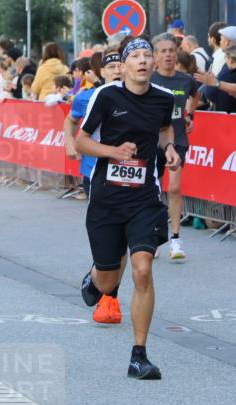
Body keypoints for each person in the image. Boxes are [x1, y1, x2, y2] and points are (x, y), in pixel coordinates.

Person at [75, 38, 180, 380]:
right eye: (135, 56)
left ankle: (139, 355)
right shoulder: (106, 96)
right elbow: (81, 140)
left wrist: (170, 150)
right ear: (123, 64)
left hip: (144, 199)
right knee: (107, 282)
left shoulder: (163, 99)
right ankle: (95, 280)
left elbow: (165, 129)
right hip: (107, 198)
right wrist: (112, 152)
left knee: (143, 268)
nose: (144, 61)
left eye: (147, 55)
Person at [64, 51, 123, 323]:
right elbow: (71, 120)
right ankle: (100, 279)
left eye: (121, 64)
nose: (117, 70)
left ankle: (109, 295)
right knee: (107, 236)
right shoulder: (87, 96)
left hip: (130, 176)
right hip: (95, 173)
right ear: (102, 73)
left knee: (123, 241)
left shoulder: (142, 96)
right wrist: (68, 142)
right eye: (111, 67)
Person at [151, 33, 198, 261]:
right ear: (155, 56)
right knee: (153, 189)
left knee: (175, 187)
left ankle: (176, 239)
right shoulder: (148, 80)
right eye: (163, 51)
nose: (168, 55)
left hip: (177, 138)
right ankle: (154, 234)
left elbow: (195, 97)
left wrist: (190, 115)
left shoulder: (185, 80)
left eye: (171, 50)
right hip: (152, 140)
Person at [197, 42, 236, 113]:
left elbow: (210, 95)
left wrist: (209, 81)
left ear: (231, 60)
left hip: (225, 116)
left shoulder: (227, 76)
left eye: (225, 57)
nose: (225, 61)